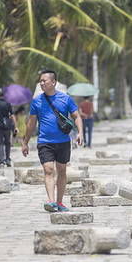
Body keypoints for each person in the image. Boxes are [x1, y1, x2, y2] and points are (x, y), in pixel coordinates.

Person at [21, 70, 83, 212]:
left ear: (53, 82)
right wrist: (25, 142)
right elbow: (31, 124)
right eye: (40, 81)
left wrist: (80, 133)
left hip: (63, 141)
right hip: (45, 141)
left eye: (44, 81)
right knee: (48, 170)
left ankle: (60, 202)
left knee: (61, 171)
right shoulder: (37, 101)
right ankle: (51, 201)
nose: (42, 83)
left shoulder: (65, 99)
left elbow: (77, 116)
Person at [0, 89, 16, 166]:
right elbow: (12, 115)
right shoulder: (8, 103)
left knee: (0, 143)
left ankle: (1, 161)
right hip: (7, 126)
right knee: (7, 143)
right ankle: (8, 159)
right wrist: (15, 126)